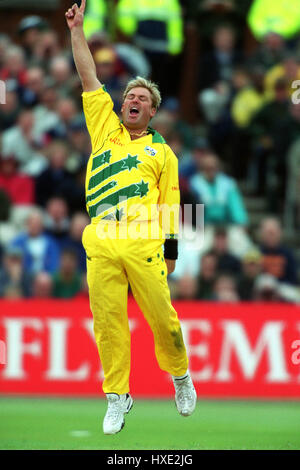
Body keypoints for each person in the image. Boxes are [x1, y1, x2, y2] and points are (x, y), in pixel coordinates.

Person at [65, 0, 196, 436]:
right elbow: (87, 74)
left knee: (163, 318)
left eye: (142, 99)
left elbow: (172, 206)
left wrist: (172, 252)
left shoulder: (162, 153)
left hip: (143, 241)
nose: (132, 101)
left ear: (153, 111)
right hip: (100, 238)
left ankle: (179, 376)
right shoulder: (104, 126)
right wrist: (77, 30)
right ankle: (117, 396)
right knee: (107, 323)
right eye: (129, 97)